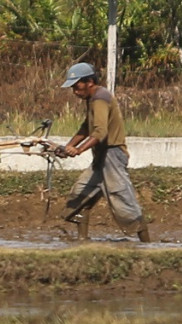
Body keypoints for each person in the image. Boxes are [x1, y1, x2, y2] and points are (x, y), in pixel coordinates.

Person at [56, 62, 150, 242]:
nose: (75, 91)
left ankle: (147, 246)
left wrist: (79, 150)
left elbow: (100, 132)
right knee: (80, 196)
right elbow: (86, 128)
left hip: (112, 156)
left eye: (77, 86)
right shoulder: (91, 98)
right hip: (101, 157)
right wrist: (68, 147)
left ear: (89, 81)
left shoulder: (100, 98)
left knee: (123, 200)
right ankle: (82, 240)